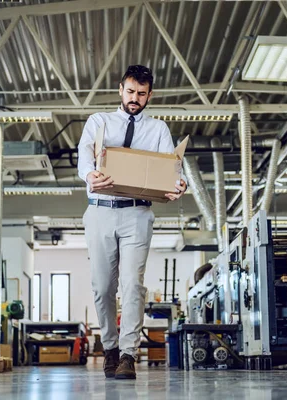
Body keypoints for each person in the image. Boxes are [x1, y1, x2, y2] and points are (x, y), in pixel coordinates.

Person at [77, 65, 187, 380]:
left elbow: (172, 169)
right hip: (100, 210)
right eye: (130, 91)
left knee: (133, 284)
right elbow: (84, 155)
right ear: (120, 90)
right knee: (102, 287)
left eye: (141, 93)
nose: (134, 98)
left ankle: (128, 355)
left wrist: (179, 185)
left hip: (137, 213)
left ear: (149, 95)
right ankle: (109, 349)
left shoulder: (158, 129)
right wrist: (89, 174)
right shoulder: (99, 122)